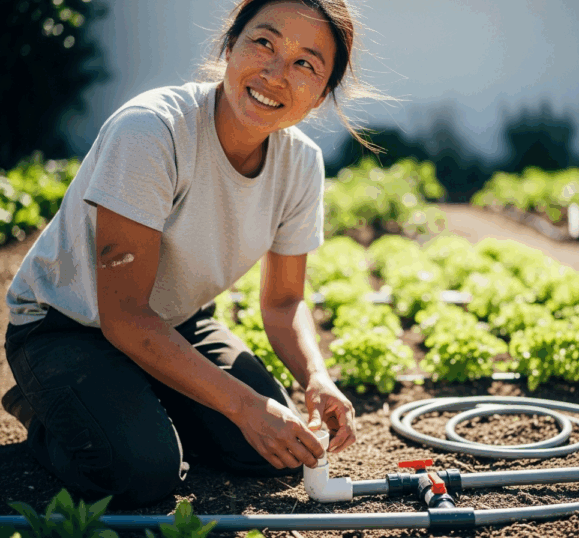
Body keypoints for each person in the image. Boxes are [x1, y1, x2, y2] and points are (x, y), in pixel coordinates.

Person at [2, 0, 385, 509]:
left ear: (321, 94)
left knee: (274, 453)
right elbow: (124, 316)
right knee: (141, 471)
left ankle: (134, 402)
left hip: (175, 321)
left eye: (304, 64)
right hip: (66, 325)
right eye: (263, 43)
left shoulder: (301, 165)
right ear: (229, 47)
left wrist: (316, 377)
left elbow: (284, 302)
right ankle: (49, 411)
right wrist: (243, 406)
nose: (275, 74)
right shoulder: (152, 131)